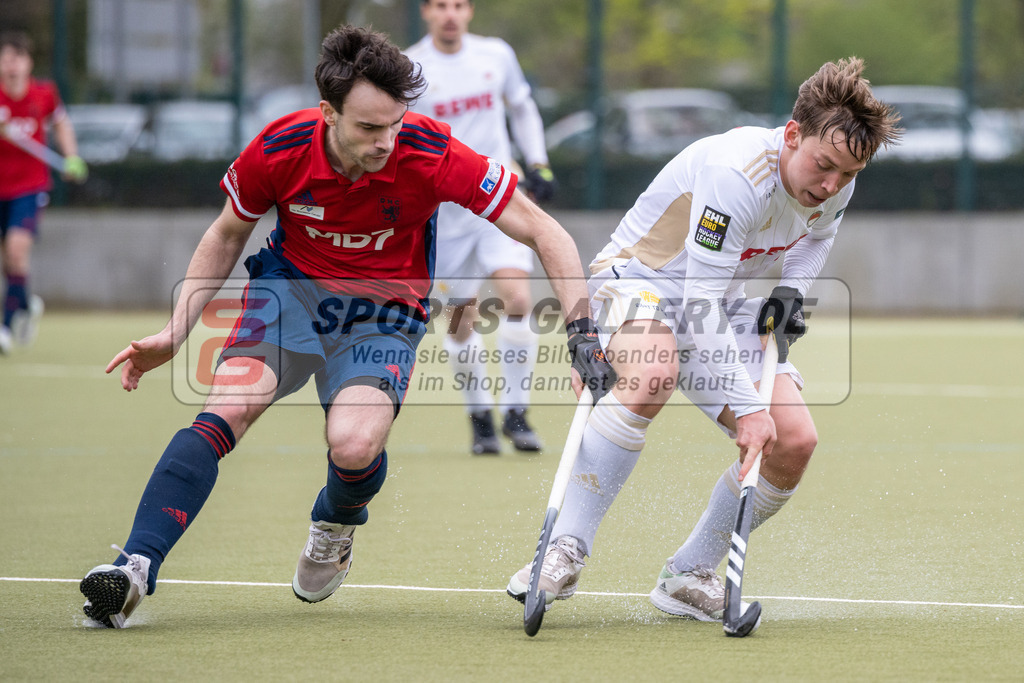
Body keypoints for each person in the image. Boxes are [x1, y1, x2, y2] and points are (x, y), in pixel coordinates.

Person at [78, 25, 613, 629]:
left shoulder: (431, 152)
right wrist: (176, 332)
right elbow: (227, 233)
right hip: (288, 295)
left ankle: (335, 522)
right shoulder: (280, 148)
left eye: (395, 123)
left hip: (384, 313)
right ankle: (133, 569)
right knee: (227, 406)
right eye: (368, 128)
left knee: (355, 447)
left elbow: (546, 231)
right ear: (327, 113)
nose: (386, 140)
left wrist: (582, 333)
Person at [506, 57, 901, 628]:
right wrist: (747, 410)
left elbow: (818, 236)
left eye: (847, 173)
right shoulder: (736, 174)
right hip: (638, 283)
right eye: (824, 166)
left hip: (713, 299)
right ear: (793, 135)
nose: (832, 185)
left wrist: (792, 290)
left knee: (793, 441)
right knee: (652, 373)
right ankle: (563, 551)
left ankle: (688, 575)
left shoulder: (836, 174)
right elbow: (697, 304)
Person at [405, 0, 557, 455]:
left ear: (469, 11)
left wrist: (538, 163)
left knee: (517, 298)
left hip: (498, 197)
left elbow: (523, 107)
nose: (449, 13)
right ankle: (480, 418)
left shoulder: (496, 55)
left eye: (458, 4)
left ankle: (516, 413)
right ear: (426, 12)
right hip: (446, 213)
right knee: (461, 318)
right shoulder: (412, 66)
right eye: (439, 5)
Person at [0, 31, 87, 354]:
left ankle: (6, 328)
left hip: (30, 187)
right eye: (6, 58)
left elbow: (62, 125)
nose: (11, 65)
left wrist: (72, 156)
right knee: (9, 262)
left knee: (16, 251)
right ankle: (24, 303)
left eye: (17, 58)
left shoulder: (43, 94)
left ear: (28, 63)